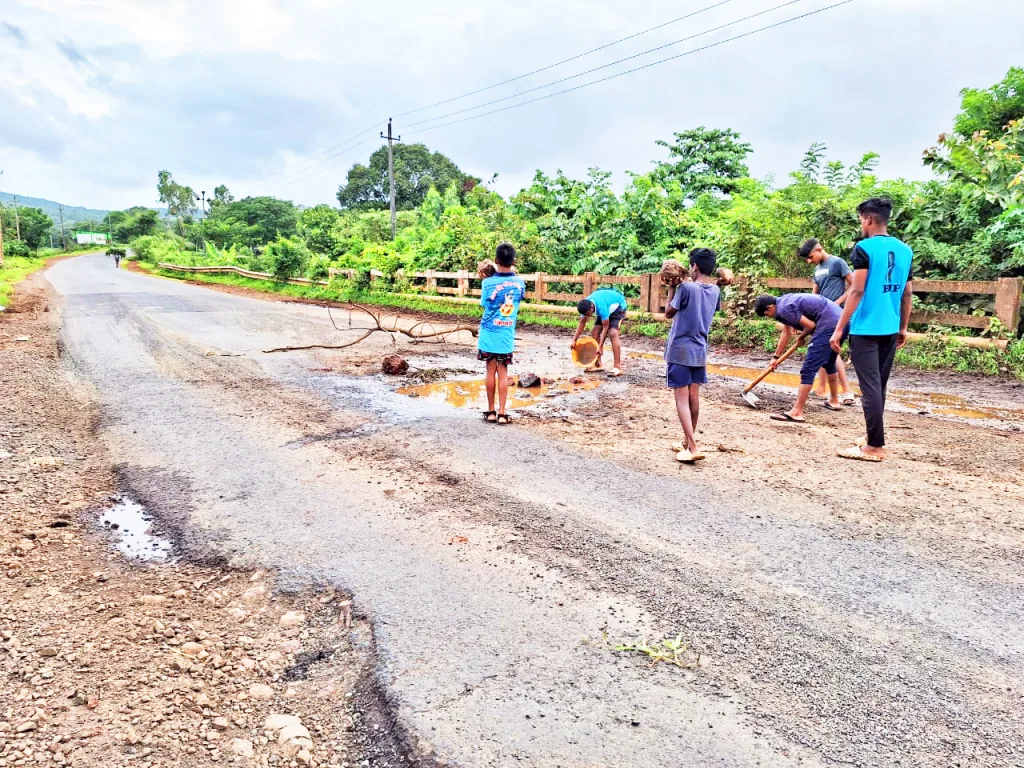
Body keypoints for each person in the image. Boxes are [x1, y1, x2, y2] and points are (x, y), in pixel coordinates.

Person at [829, 198, 914, 462]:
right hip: (890, 327)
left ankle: (874, 447)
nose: (861, 225)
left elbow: (857, 290)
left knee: (870, 388)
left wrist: (839, 328)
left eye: (860, 220)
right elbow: (907, 293)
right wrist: (903, 327)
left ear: (867, 219)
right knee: (879, 385)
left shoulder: (863, 248)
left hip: (866, 328)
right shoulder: (905, 250)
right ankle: (871, 437)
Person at [663, 248, 722, 463]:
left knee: (681, 399)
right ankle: (687, 441)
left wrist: (671, 288)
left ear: (694, 266)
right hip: (700, 349)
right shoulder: (715, 291)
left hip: (680, 348)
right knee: (693, 397)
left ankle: (693, 446)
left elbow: (669, 313)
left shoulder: (685, 288)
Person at [754, 292, 845, 423]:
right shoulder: (784, 302)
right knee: (829, 362)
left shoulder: (784, 309)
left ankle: (797, 412)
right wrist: (775, 357)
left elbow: (811, 326)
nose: (769, 317)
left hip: (828, 324)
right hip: (842, 321)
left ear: (770, 307)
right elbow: (787, 332)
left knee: (808, 369)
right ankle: (834, 400)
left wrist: (802, 337)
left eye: (767, 315)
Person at [800, 238, 855, 404]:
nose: (810, 261)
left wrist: (838, 302)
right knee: (824, 351)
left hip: (836, 315)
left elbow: (854, 285)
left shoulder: (837, 262)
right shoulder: (817, 269)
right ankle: (822, 388)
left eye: (810, 257)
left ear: (819, 249)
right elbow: (814, 293)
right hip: (821, 315)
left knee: (831, 350)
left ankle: (846, 391)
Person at [478, 243, 527, 425]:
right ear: (513, 261)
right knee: (503, 373)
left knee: (490, 370)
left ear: (496, 260)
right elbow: (519, 297)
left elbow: (484, 304)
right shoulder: (519, 283)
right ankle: (502, 413)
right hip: (506, 334)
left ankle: (490, 411)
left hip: (489, 333)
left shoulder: (487, 283)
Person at [571, 288, 628, 377]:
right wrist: (574, 340)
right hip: (606, 307)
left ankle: (617, 367)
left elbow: (606, 327)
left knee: (613, 333)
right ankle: (598, 364)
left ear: (591, 308)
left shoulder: (601, 307)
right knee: (595, 332)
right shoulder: (585, 306)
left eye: (587, 314)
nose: (587, 316)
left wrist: (600, 346)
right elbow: (582, 322)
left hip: (618, 307)